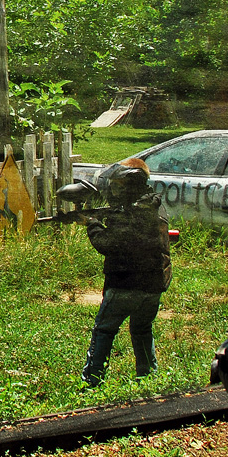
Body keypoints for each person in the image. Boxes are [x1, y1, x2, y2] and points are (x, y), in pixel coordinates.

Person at [79, 157, 172, 387]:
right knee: (142, 329)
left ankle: (91, 381)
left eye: (119, 185)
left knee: (104, 330)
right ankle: (148, 378)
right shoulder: (152, 206)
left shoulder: (132, 213)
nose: (114, 190)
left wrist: (92, 223)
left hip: (125, 284)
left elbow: (107, 244)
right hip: (153, 286)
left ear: (132, 183)